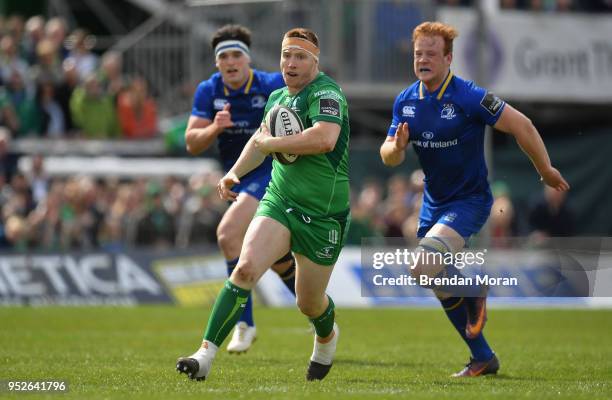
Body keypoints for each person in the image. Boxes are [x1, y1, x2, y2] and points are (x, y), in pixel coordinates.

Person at [380, 21, 569, 377]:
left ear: (448, 58)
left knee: (422, 265)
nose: (423, 59)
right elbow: (388, 154)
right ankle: (483, 357)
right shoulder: (405, 101)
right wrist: (395, 147)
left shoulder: (468, 95)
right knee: (432, 278)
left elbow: (522, 125)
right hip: (434, 203)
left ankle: (473, 288)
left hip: (469, 201)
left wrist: (544, 169)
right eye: (418, 53)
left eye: (431, 54)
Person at [177, 27, 350, 382]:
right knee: (244, 269)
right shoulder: (277, 99)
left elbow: (325, 138)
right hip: (279, 201)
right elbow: (259, 141)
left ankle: (327, 337)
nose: (291, 63)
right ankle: (205, 355)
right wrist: (233, 174)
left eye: (300, 57)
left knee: (309, 303)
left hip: (323, 215)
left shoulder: (327, 92)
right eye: (287, 55)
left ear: (314, 61)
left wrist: (273, 144)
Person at [182, 25, 297, 354]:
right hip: (235, 177)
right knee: (276, 260)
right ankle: (320, 315)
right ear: (216, 63)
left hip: (273, 172)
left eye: (236, 55)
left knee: (228, 234)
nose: (230, 62)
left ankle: (244, 324)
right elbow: (192, 142)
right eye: (223, 57)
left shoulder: (272, 84)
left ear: (247, 59)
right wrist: (214, 129)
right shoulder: (209, 90)